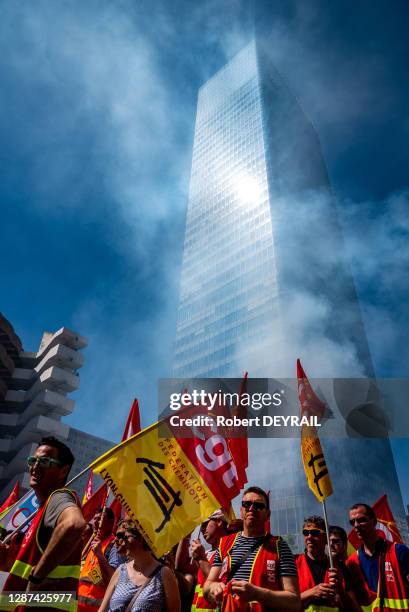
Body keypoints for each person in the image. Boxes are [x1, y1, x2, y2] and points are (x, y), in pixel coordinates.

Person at [1, 436, 85, 604]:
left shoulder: (58, 497)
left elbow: (75, 524)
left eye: (45, 461)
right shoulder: (43, 507)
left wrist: (36, 578)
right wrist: (8, 564)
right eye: (33, 460)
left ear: (63, 471)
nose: (35, 466)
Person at [203, 486, 300, 611]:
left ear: (268, 514)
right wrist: (213, 588)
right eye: (247, 504)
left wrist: (258, 594)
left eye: (258, 506)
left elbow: (294, 602)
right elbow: (207, 586)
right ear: (241, 510)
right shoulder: (224, 544)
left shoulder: (279, 546)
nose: (251, 508)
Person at [98, 519, 180, 611]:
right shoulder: (121, 570)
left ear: (141, 537)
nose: (122, 542)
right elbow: (102, 609)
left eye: (125, 537)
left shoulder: (164, 574)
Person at [346, 502, 409, 611]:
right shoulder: (352, 562)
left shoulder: (398, 551)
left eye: (361, 520)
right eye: (352, 522)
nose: (356, 525)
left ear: (374, 521)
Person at [296, 516, 360, 611]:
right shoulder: (293, 563)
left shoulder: (339, 567)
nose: (309, 537)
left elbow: (355, 609)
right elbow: (283, 603)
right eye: (306, 533)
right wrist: (311, 593)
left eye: (315, 533)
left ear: (326, 538)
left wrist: (341, 591)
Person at [78, 507, 116, 611]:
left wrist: (99, 554)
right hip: (78, 606)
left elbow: (113, 580)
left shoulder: (114, 546)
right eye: (94, 519)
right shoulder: (94, 543)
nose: (95, 522)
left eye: (100, 519)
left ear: (111, 522)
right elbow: (92, 575)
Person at [191, 509, 229, 611]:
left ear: (219, 522)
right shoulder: (206, 553)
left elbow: (216, 585)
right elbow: (180, 567)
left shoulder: (231, 552)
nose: (202, 529)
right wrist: (184, 538)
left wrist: (201, 559)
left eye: (205, 524)